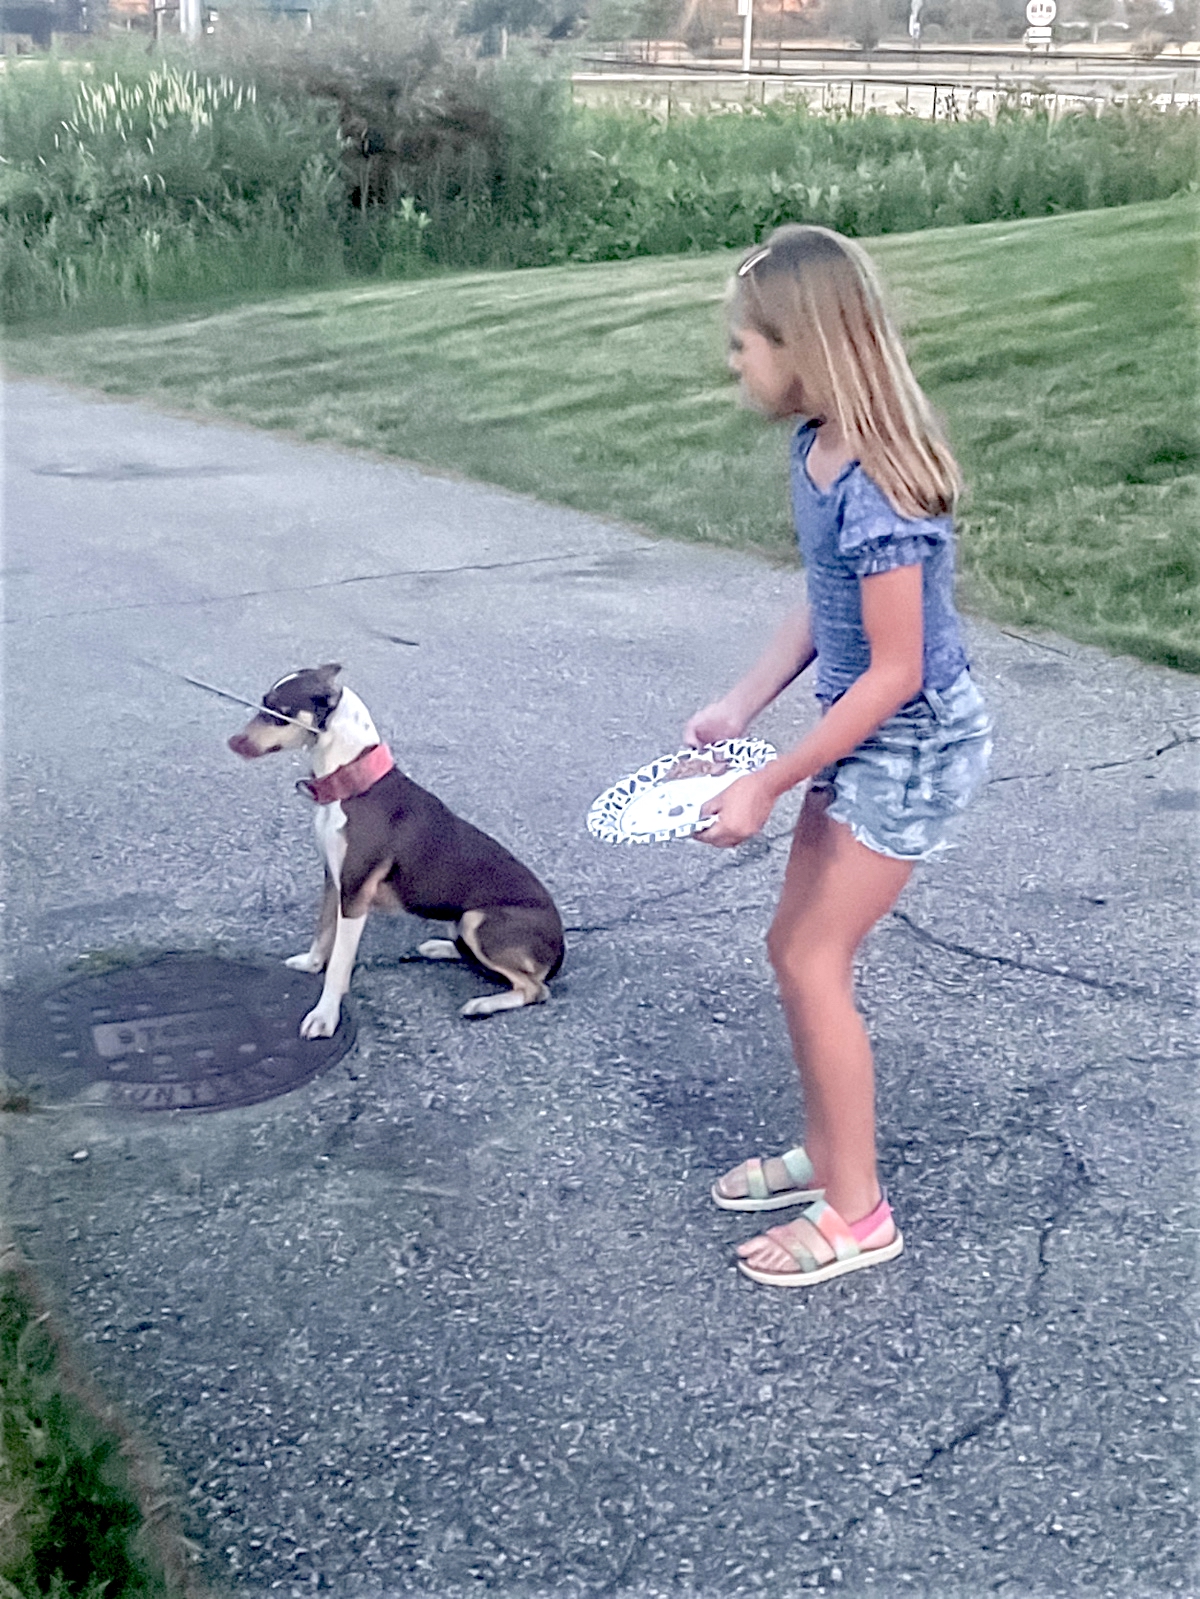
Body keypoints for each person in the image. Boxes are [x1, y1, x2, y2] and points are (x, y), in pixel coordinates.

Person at [685, 225, 992, 1289]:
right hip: (867, 729)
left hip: (910, 742)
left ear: (804, 346)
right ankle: (831, 1150)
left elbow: (896, 670)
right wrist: (742, 703)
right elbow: (825, 611)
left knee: (815, 959)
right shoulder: (814, 448)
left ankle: (859, 1213)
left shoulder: (879, 487)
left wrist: (769, 779)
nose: (734, 363)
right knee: (794, 948)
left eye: (745, 345)